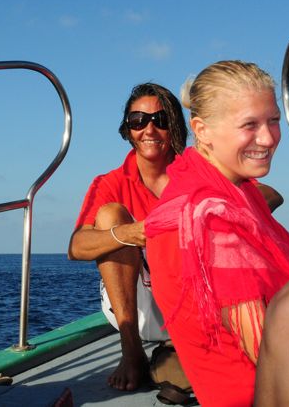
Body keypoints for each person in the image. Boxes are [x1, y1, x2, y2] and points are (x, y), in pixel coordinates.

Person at [145, 60, 289, 407]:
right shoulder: (207, 219)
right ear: (202, 130)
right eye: (250, 124)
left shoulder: (237, 193)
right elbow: (275, 348)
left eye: (273, 120)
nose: (268, 138)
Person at [68, 82, 189, 391]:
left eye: (160, 120)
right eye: (138, 120)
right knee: (110, 216)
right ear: (128, 129)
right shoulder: (110, 182)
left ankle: (181, 350)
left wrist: (202, 216)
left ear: (174, 126)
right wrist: (131, 232)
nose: (149, 129)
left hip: (190, 303)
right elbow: (76, 247)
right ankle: (131, 350)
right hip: (139, 307)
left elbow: (268, 195)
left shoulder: (195, 171)